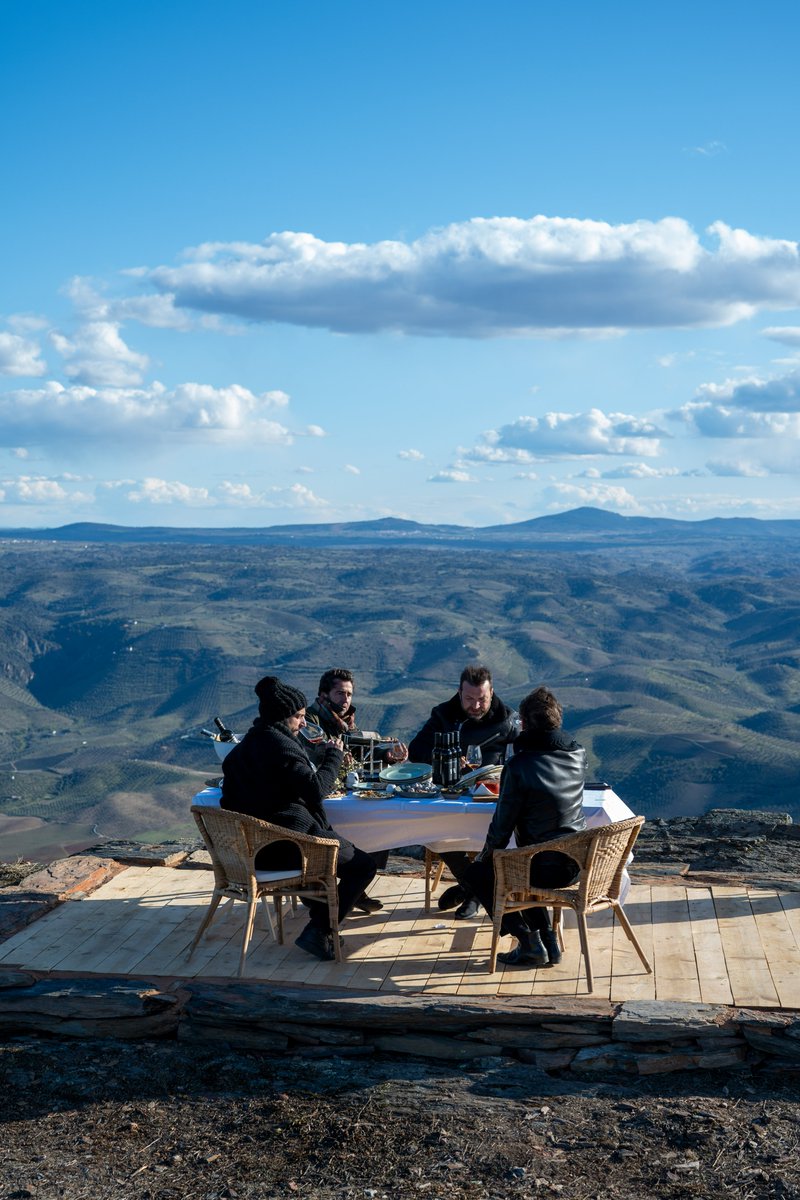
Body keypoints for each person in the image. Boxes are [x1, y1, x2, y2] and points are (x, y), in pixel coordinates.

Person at [220, 674, 377, 963]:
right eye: (299, 716)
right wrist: (333, 757)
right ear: (282, 717)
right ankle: (320, 929)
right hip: (287, 848)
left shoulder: (244, 748)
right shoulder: (281, 746)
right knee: (362, 866)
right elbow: (316, 790)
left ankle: (321, 921)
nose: (303, 723)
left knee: (336, 864)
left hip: (248, 852)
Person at [439, 686, 586, 967]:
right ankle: (549, 944)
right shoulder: (577, 753)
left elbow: (501, 828)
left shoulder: (520, 765)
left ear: (526, 724)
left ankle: (528, 942)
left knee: (482, 874)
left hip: (542, 867)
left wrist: (481, 862)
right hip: (577, 863)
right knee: (520, 864)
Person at [408, 664, 518, 919]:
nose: (476, 706)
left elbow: (522, 756)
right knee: (437, 831)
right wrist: (444, 757)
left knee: (500, 834)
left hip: (491, 797)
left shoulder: (508, 720)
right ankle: (475, 888)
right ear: (459, 693)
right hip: (452, 796)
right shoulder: (443, 714)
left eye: (482, 699)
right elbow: (416, 750)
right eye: (469, 699)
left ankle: (473, 890)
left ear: (492, 693)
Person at [305, 667, 409, 914]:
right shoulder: (310, 720)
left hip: (343, 788)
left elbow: (359, 749)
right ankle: (346, 890)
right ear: (323, 695)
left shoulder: (345, 721)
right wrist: (334, 754)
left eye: (349, 694)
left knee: (377, 820)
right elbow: (317, 752)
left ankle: (354, 888)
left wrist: (388, 755)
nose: (346, 699)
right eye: (340, 693)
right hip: (320, 790)